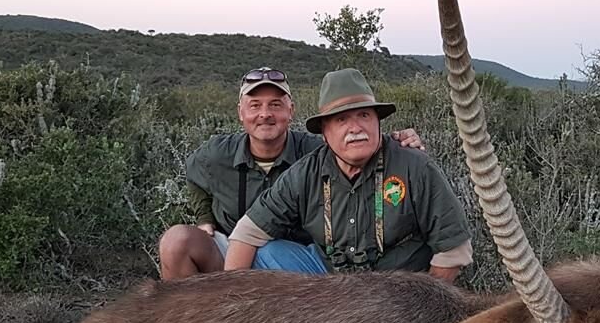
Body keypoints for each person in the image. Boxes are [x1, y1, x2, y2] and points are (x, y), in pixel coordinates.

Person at [158, 67, 424, 279]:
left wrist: (397, 142)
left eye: (275, 104)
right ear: (241, 112)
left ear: (290, 110)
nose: (265, 114)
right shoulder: (217, 153)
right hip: (232, 255)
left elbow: (356, 147)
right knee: (175, 242)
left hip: (294, 263)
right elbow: (194, 179)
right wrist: (204, 217)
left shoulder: (317, 152)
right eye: (255, 105)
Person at [224, 68, 472, 281]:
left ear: (377, 121)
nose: (356, 128)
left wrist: (424, 305)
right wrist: (231, 300)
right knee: (268, 253)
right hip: (329, 285)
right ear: (325, 131)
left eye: (364, 115)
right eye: (341, 119)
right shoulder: (306, 171)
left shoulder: (415, 166)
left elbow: (453, 250)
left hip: (396, 289)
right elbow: (247, 233)